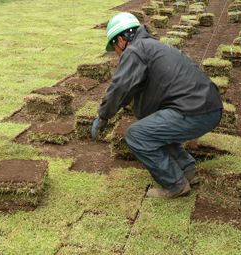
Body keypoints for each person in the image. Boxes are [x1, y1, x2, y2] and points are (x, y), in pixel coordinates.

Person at [91, 12, 223, 199]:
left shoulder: (135, 50)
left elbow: (120, 87)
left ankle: (175, 184)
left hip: (195, 111)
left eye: (115, 47)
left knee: (136, 135)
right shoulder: (151, 47)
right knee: (153, 128)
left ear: (121, 40)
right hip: (208, 107)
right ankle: (189, 172)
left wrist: (103, 115)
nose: (117, 53)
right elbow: (136, 90)